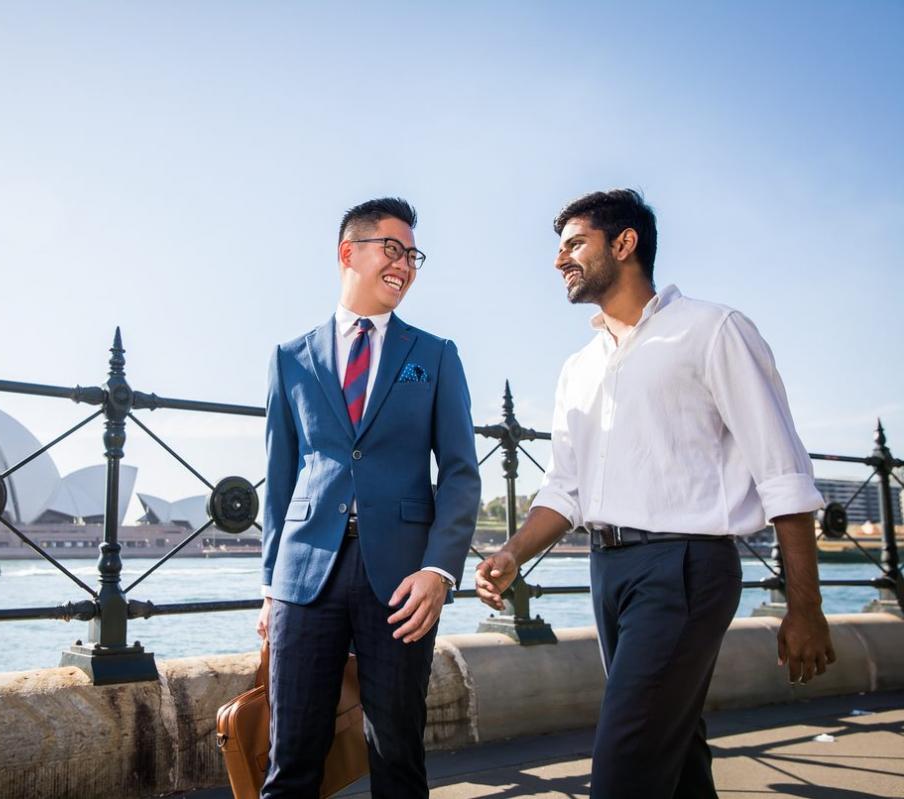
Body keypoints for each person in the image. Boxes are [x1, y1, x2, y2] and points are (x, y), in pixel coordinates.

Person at [475, 189, 836, 799]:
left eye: (573, 244)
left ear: (624, 243)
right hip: (607, 570)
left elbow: (783, 473)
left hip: (686, 567)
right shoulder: (578, 368)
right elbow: (564, 489)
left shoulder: (713, 329)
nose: (559, 260)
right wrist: (512, 553)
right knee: (676, 757)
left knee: (625, 770)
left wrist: (805, 605)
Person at [258, 197, 481, 798]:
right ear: (346, 252)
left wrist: (439, 569)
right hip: (305, 576)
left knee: (399, 755)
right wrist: (270, 586)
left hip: (404, 578)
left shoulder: (434, 356)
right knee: (290, 757)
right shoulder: (290, 359)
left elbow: (461, 472)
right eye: (393, 249)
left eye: (413, 256)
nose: (405, 265)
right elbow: (279, 483)